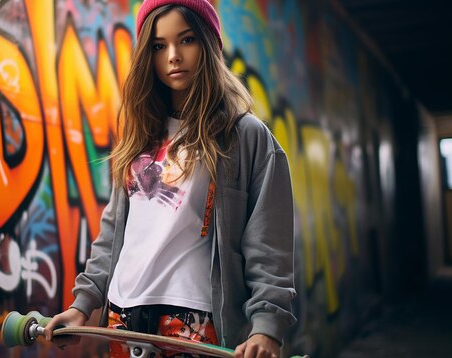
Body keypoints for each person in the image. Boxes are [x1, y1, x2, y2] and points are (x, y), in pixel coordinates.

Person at [44, 0, 296, 357]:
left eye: (187, 40)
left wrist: (267, 327)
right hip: (123, 316)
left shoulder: (244, 136)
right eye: (159, 46)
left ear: (209, 44)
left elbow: (268, 245)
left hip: (194, 321)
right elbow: (116, 232)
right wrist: (82, 305)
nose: (173, 56)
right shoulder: (141, 134)